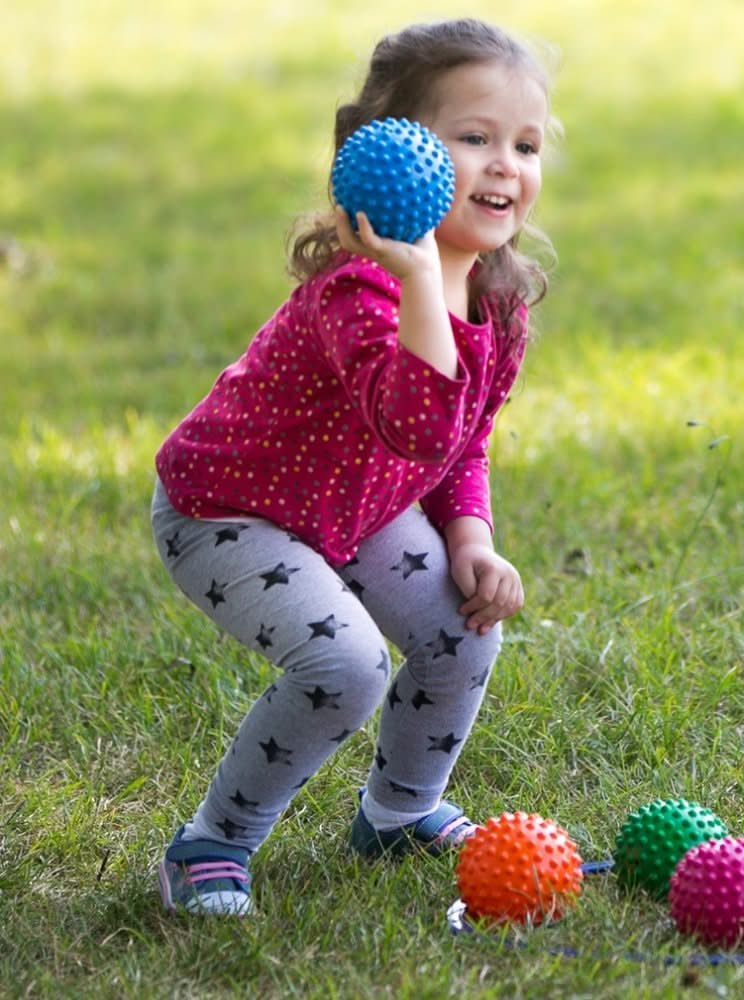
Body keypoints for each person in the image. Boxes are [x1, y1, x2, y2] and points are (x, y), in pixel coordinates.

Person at [150, 17, 555, 916]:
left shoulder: (497, 300)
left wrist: (471, 536)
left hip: (358, 510)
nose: (506, 165)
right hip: (230, 512)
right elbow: (411, 420)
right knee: (347, 664)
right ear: (393, 151)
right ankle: (211, 842)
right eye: (475, 137)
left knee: (463, 626)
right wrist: (415, 274)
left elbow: (458, 441)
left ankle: (398, 812)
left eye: (525, 145)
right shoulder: (360, 287)